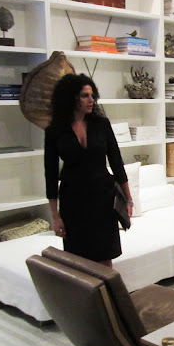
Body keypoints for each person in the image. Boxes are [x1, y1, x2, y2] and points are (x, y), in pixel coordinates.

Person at [44, 73, 133, 267]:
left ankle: (108, 297)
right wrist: (55, 216)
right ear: (71, 98)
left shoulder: (101, 125)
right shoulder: (54, 131)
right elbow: (50, 175)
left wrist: (128, 198)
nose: (91, 100)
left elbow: (117, 163)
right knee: (77, 257)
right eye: (85, 96)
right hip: (73, 201)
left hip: (103, 197)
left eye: (92, 95)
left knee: (105, 255)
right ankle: (84, 297)